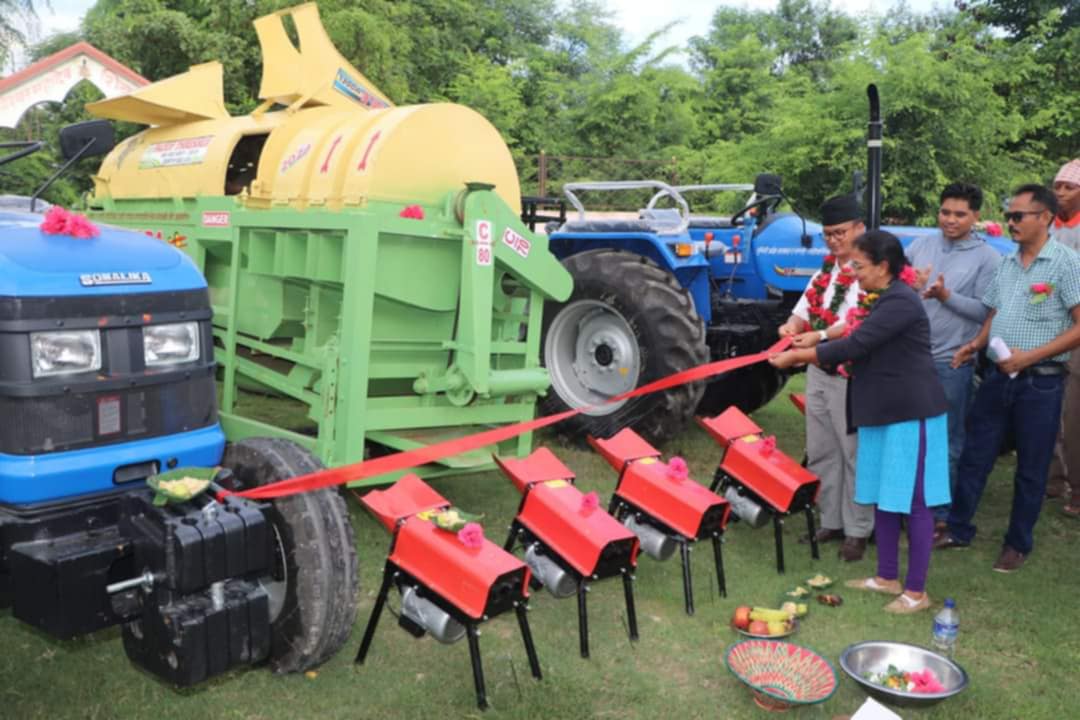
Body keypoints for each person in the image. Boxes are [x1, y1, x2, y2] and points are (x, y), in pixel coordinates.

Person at [770, 229, 948, 613]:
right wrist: (812, 341)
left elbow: (855, 345)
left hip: (910, 411)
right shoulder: (881, 297)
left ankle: (916, 592)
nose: (852, 272)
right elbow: (852, 336)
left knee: (915, 502)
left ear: (884, 267)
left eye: (860, 266)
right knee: (881, 492)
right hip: (880, 410)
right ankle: (886, 577)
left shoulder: (900, 301)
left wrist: (797, 357)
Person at [935, 184, 1080, 572]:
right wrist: (975, 344)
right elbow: (994, 313)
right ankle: (959, 527)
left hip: (1041, 381)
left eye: (1019, 216)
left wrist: (1029, 357)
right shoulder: (1008, 263)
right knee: (975, 455)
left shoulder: (1066, 263)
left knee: (1031, 467)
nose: (1011, 223)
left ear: (1045, 218)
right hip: (999, 376)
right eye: (1010, 216)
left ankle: (1017, 543)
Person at [777, 194, 873, 562]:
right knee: (821, 450)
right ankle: (830, 520)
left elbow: (854, 324)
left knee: (853, 454)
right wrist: (790, 326)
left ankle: (858, 530)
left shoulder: (871, 268)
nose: (834, 241)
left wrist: (813, 338)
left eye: (841, 233)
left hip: (851, 375)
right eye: (828, 235)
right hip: (818, 371)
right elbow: (803, 310)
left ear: (859, 228)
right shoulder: (826, 270)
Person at [905, 183, 1001, 526]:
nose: (950, 220)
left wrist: (946, 296)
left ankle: (940, 513)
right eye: (945, 212)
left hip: (951, 361)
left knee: (945, 440)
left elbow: (987, 311)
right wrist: (910, 284)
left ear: (975, 216)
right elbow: (897, 287)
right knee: (908, 436)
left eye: (960, 214)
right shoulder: (921, 244)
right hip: (909, 359)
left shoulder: (988, 258)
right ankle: (910, 503)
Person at [1046, 159, 1080, 512]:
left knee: (1074, 411)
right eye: (1057, 186)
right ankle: (1052, 479)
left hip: (1075, 328)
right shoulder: (1047, 226)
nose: (1061, 193)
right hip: (1044, 325)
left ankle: (1077, 485)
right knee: (1049, 404)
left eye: (1069, 187)